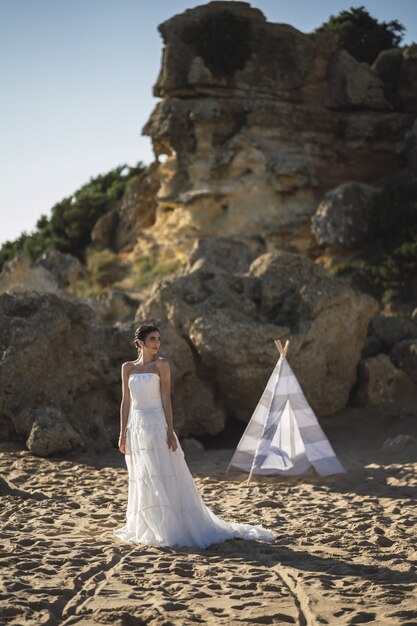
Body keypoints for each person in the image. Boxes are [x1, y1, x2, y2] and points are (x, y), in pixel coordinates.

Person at [113, 324, 277, 549]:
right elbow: (126, 401)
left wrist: (169, 430)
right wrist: (123, 432)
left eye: (159, 338)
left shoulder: (162, 365)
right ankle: (150, 523)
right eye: (152, 339)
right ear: (140, 342)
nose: (157, 343)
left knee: (162, 471)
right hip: (137, 425)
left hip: (156, 422)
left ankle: (170, 527)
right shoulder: (127, 368)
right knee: (143, 474)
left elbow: (166, 399)